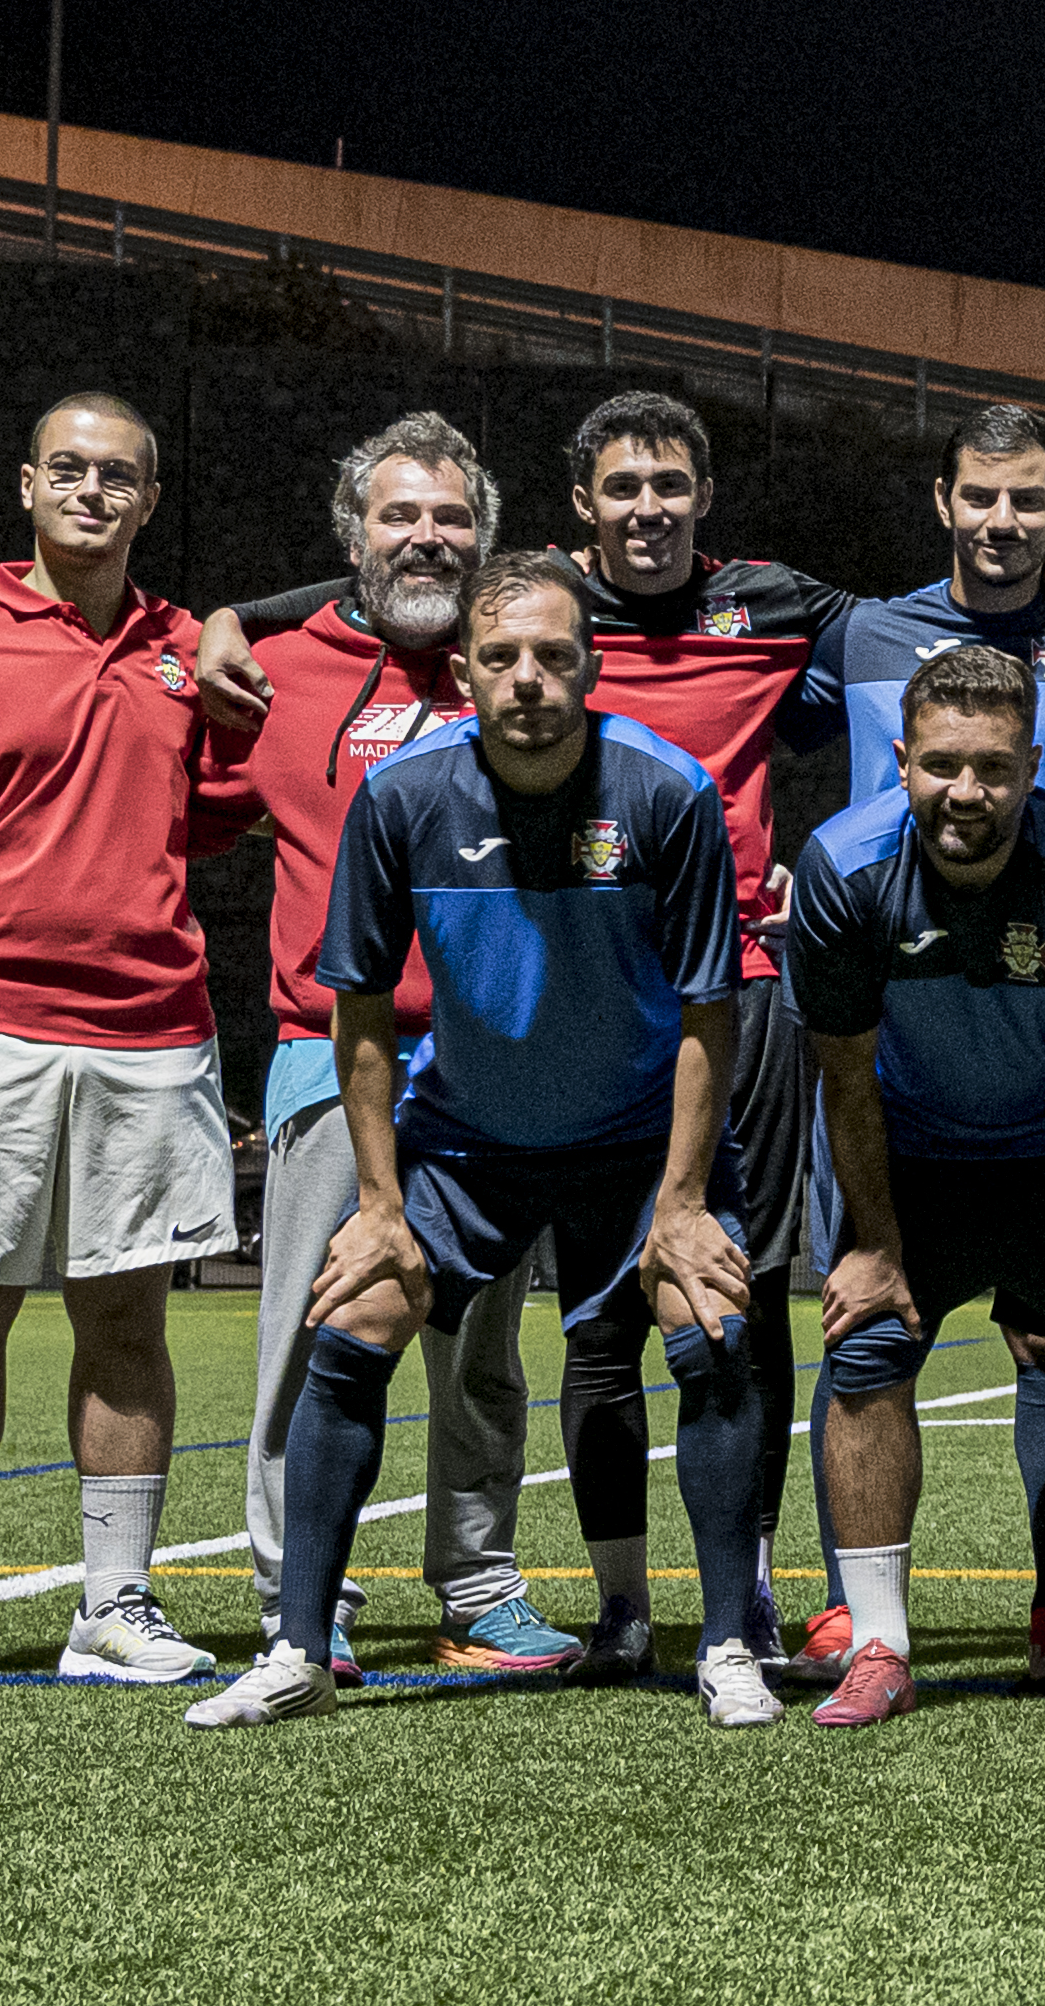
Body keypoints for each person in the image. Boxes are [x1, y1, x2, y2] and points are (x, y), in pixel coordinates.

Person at [202, 393, 1045, 1675]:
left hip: (733, 991)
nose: (648, 506)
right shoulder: (526, 616)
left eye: (671, 484)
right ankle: (594, 1605)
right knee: (569, 1333)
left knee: (731, 1293)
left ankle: (744, 1598)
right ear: (578, 507)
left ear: (703, 499)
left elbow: (971, 611)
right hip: (528, 1023)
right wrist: (235, 615)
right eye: (622, 485)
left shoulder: (788, 612)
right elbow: (398, 581)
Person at [187, 557, 761, 1727]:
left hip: (633, 1139)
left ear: (592, 664)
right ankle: (299, 1643)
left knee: (709, 1330)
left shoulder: (666, 793)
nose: (528, 679)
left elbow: (712, 1011)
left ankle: (727, 1643)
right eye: (501, 659)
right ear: (464, 673)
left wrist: (685, 1199)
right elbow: (354, 1012)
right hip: (464, 1143)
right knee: (349, 1329)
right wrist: (383, 1207)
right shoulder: (402, 797)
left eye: (553, 655)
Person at [0, 392, 264, 1699]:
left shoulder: (184, 648)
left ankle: (115, 1607)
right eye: (70, 470)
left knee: (129, 1318)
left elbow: (215, 825)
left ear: (150, 498)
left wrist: (232, 684)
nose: (93, 491)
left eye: (119, 475)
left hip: (151, 1032)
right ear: (27, 484)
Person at [798, 407, 1045, 1683]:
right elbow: (840, 1067)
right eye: (979, 497)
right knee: (861, 1328)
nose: (1001, 521)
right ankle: (869, 1633)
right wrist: (875, 1232)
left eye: (1028, 501)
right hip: (906, 1096)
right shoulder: (858, 636)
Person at [223, 411, 569, 1682]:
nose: (425, 537)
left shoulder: (516, 663)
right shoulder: (272, 671)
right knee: (311, 1334)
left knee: (480, 1348)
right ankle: (291, 1593)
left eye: (450, 517)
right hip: (330, 1052)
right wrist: (233, 619)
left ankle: (476, 1585)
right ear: (352, 536)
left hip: (492, 1063)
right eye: (397, 514)